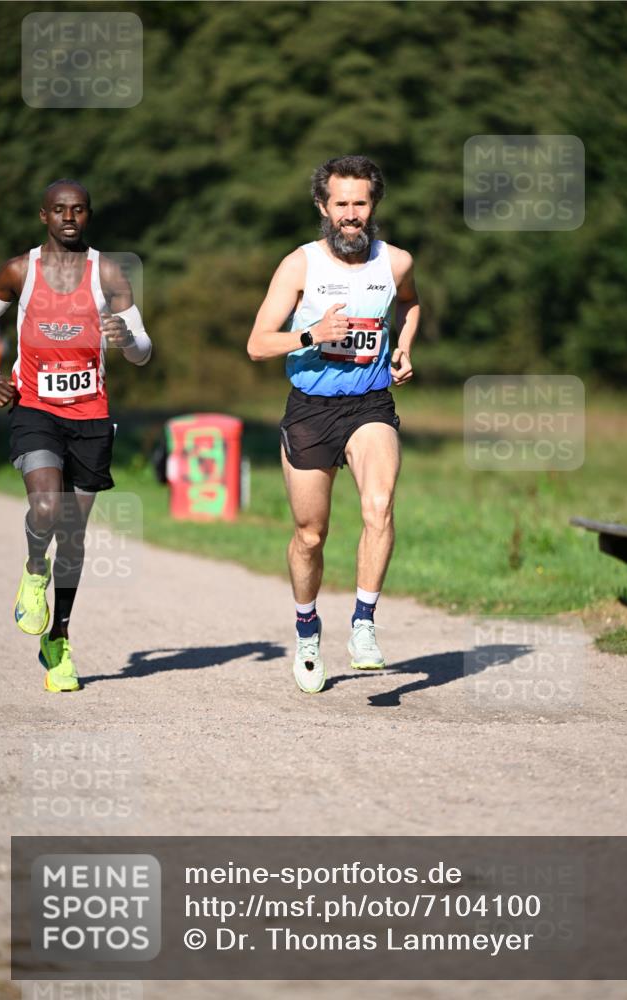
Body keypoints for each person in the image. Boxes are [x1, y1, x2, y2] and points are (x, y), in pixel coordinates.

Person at [248, 155, 420, 694]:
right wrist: (313, 335)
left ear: (374, 205)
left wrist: (403, 348)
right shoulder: (299, 265)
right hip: (310, 409)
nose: (351, 214)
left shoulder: (395, 262)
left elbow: (410, 304)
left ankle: (364, 624)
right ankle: (307, 629)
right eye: (341, 203)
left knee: (379, 506)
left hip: (369, 404)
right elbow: (257, 344)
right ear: (323, 207)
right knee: (310, 534)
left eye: (360, 203)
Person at [0, 179, 151, 691]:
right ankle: (34, 568)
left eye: (78, 209)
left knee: (74, 534)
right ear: (44, 216)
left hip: (90, 415)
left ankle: (58, 638)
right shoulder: (20, 271)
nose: (68, 217)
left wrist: (127, 338)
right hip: (35, 408)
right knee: (45, 508)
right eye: (59, 209)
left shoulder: (109, 273)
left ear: (88, 215)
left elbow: (143, 350)